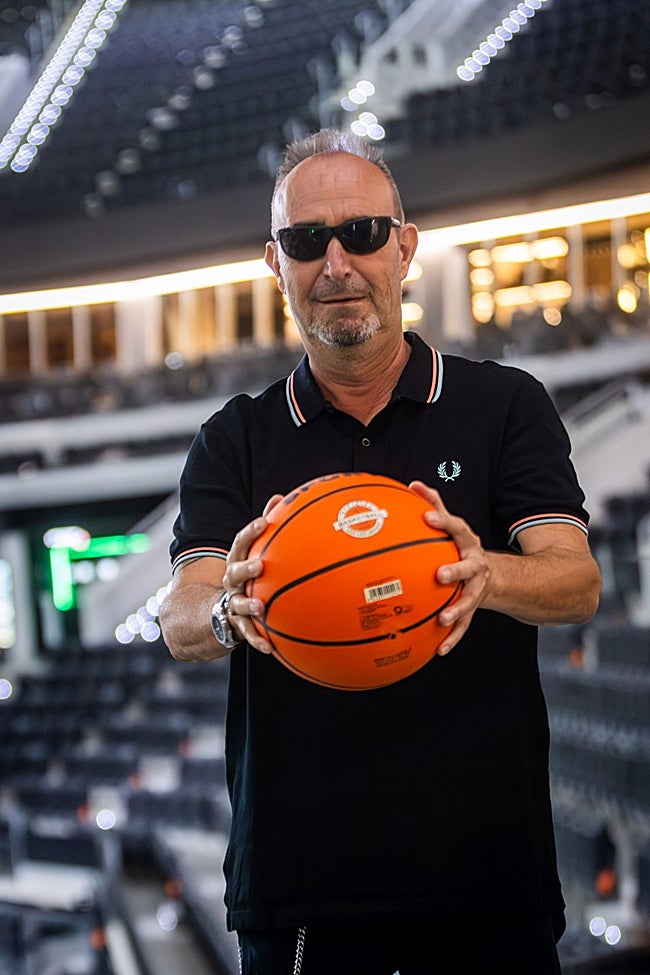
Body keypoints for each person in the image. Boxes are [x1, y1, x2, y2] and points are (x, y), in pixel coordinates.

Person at [160, 128, 601, 975]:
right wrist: (231, 605)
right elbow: (184, 612)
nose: (336, 263)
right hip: (300, 889)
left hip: (487, 876)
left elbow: (576, 580)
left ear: (405, 247)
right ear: (275, 262)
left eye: (361, 233)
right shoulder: (234, 440)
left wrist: (487, 572)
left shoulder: (504, 405)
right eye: (305, 240)